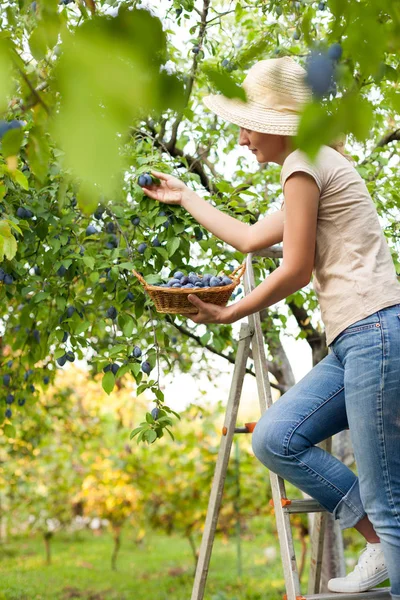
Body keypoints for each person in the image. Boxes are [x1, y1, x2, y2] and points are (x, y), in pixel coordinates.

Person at [141, 56, 400, 597]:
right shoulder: (313, 164)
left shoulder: (304, 162)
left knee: (386, 495)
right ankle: (379, 545)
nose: (241, 139)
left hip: (375, 330)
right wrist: (186, 195)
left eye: (247, 124)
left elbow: (296, 269)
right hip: (357, 339)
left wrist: (231, 310)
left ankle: (386, 541)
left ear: (278, 121)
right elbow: (251, 238)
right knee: (277, 437)